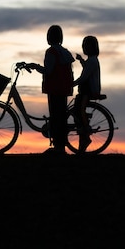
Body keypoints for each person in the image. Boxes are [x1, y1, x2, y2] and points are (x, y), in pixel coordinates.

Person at [29, 25, 74, 154]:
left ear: (49, 37)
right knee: (60, 117)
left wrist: (36, 67)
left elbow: (48, 70)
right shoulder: (64, 52)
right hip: (64, 88)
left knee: (55, 117)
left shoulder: (51, 52)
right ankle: (60, 146)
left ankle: (58, 148)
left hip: (54, 88)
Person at [73, 35, 101, 153]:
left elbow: (84, 77)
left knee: (79, 109)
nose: (84, 48)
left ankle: (86, 129)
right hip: (88, 89)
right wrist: (81, 61)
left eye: (86, 46)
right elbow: (87, 69)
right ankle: (84, 130)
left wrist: (72, 84)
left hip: (88, 90)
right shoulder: (92, 60)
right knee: (77, 109)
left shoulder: (92, 61)